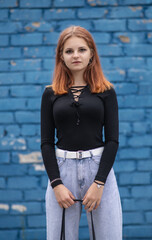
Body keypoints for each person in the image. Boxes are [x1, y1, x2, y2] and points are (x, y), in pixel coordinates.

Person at [40, 25, 122, 240]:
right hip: (62, 171)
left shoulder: (106, 91)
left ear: (91, 53)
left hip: (99, 170)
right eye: (69, 51)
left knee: (109, 236)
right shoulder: (50, 94)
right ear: (61, 56)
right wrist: (56, 184)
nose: (75, 55)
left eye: (82, 49)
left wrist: (99, 183)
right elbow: (46, 142)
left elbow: (112, 140)